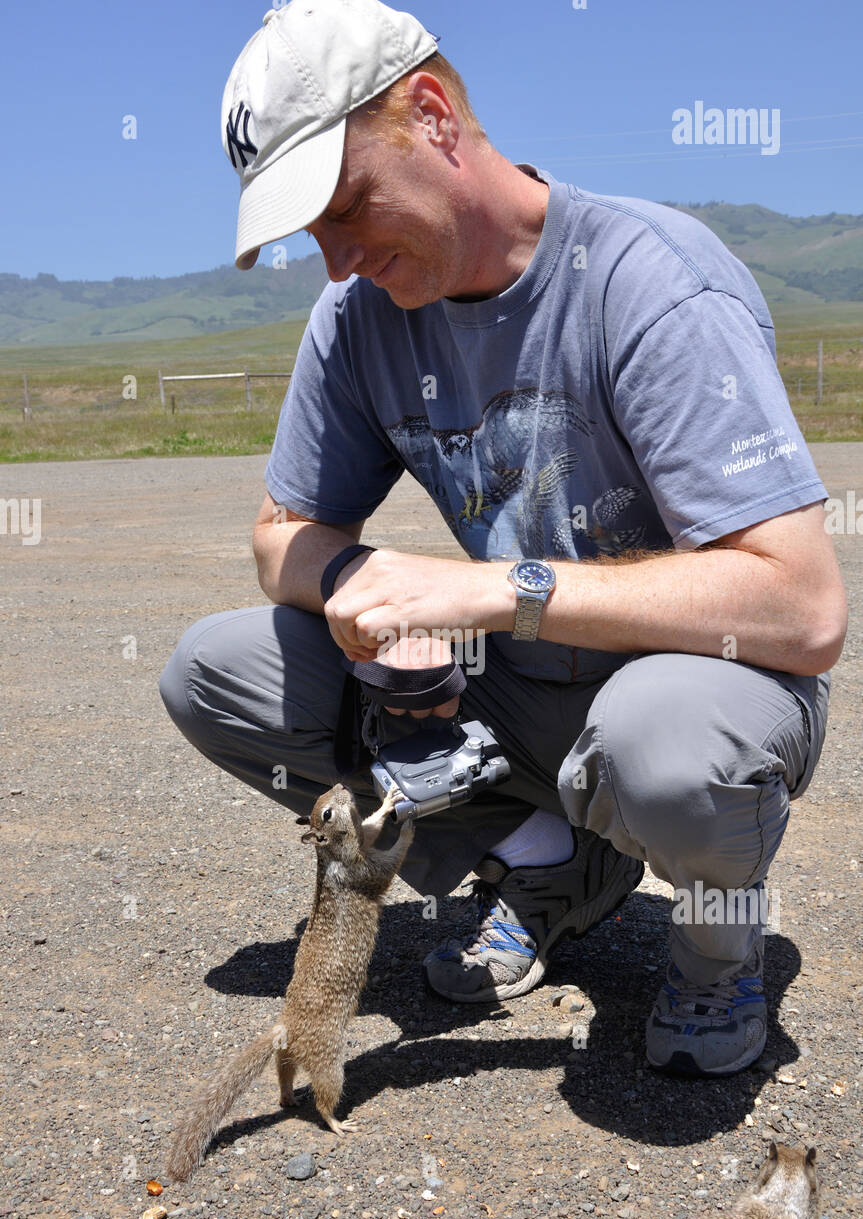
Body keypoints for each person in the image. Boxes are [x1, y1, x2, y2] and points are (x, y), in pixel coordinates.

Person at [160, 0, 847, 1077]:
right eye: (311, 234)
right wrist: (361, 579)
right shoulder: (356, 320)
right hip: (519, 688)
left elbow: (802, 611)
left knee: (657, 743)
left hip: (702, 684)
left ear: (430, 115)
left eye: (345, 204)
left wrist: (486, 590)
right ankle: (549, 864)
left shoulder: (649, 280)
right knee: (216, 671)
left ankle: (717, 955)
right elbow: (278, 537)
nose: (334, 261)